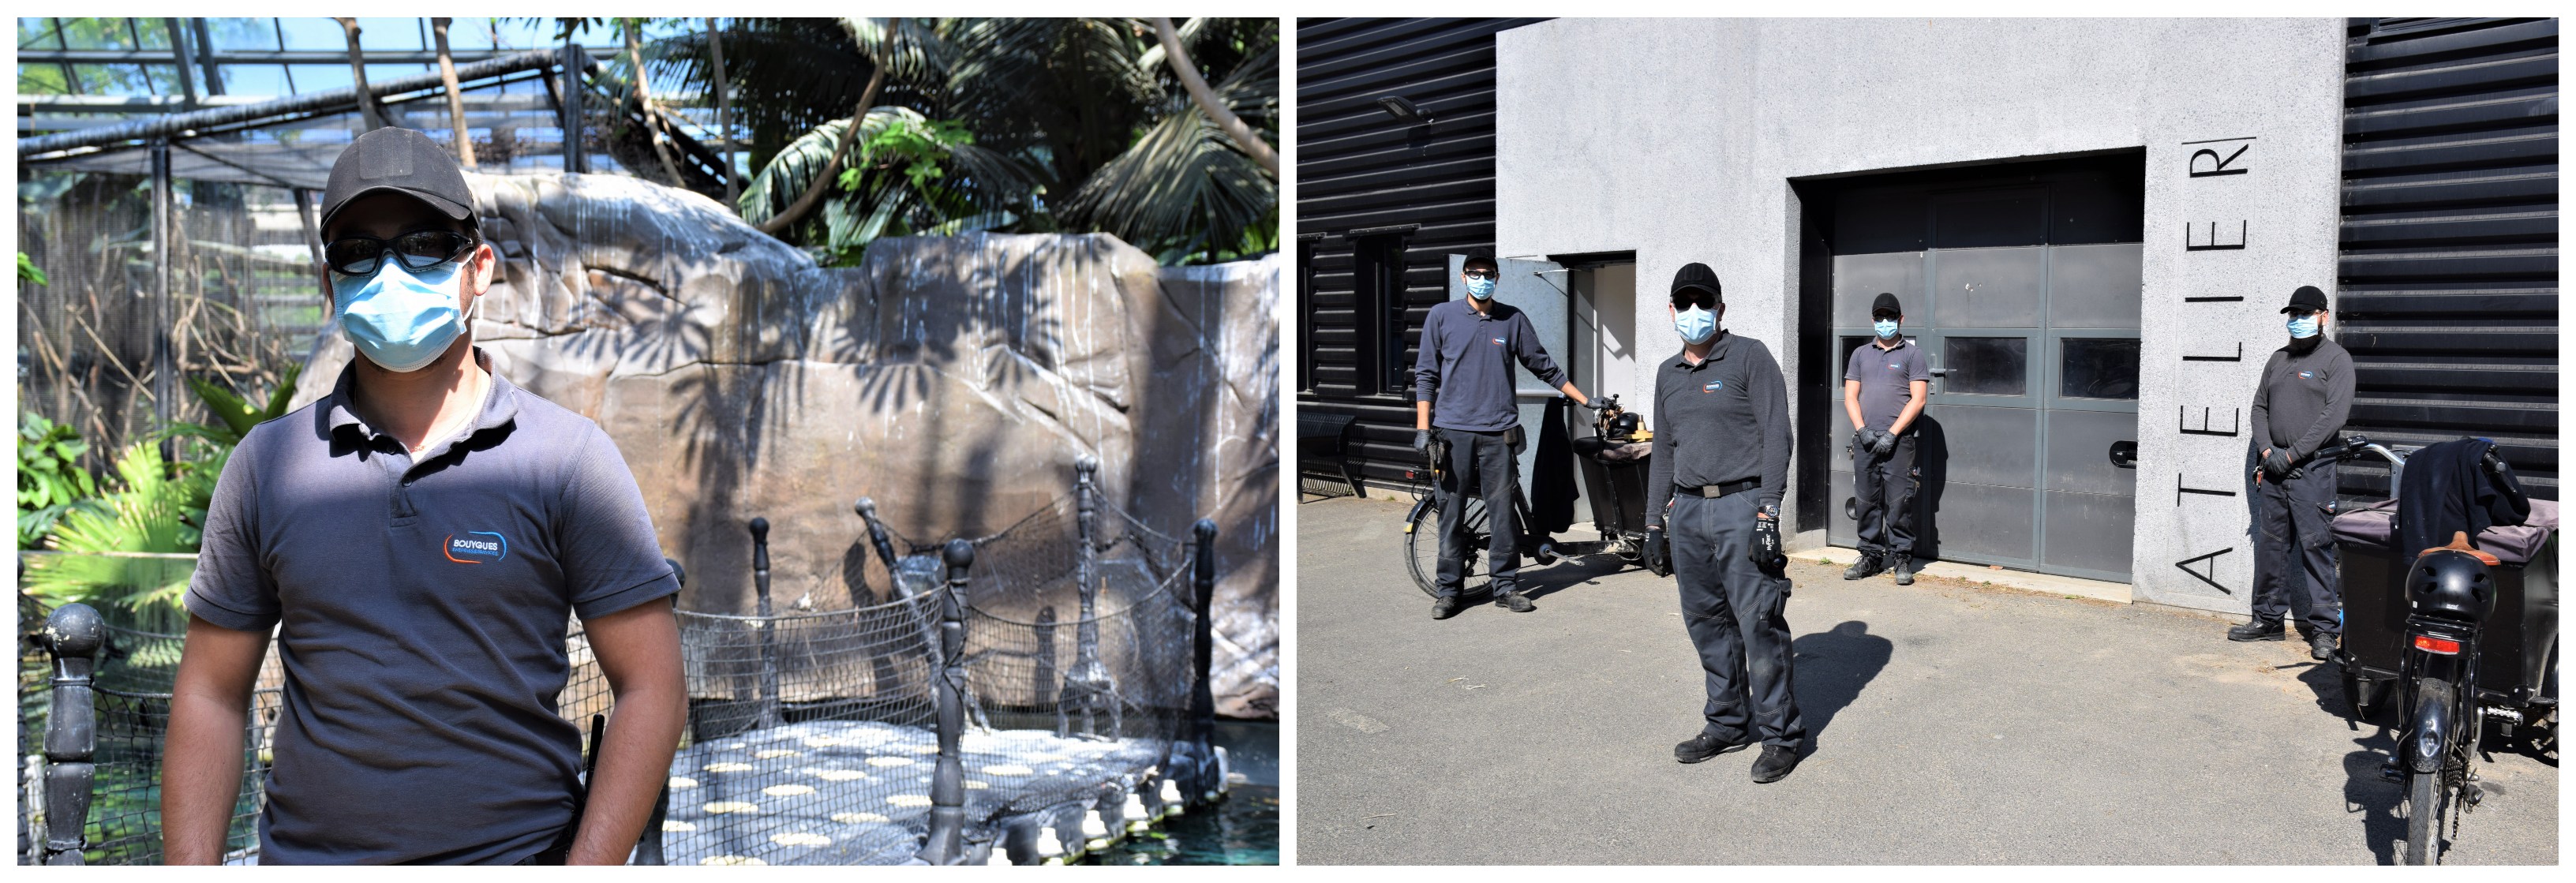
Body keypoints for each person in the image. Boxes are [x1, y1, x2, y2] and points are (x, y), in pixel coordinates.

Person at [163, 127, 687, 865]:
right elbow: (211, 697)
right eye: (357, 252)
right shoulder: (268, 466)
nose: (390, 271)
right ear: (329, 283)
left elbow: (654, 685)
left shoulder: (566, 460)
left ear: (478, 270)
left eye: (423, 244)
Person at [1642, 263, 1803, 783]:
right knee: (1707, 624)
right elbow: (1663, 453)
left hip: (1741, 505)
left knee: (1759, 622)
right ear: (1671, 311)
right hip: (1687, 513)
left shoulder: (1749, 357)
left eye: (1703, 302)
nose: (1694, 313)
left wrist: (1769, 511)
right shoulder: (1668, 374)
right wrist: (1652, 524)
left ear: (1720, 308)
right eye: (1684, 303)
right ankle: (1729, 723)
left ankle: (1781, 735)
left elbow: (1778, 433)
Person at [1413, 248, 1603, 619]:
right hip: (1454, 433)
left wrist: (1585, 400)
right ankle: (1448, 591)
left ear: (1497, 278)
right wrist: (1424, 429)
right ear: (1464, 277)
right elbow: (1426, 375)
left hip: (1499, 434)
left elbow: (1543, 366)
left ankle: (1505, 586)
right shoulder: (1441, 316)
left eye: (1488, 273)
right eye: (1474, 272)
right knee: (1451, 513)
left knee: (1502, 515)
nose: (1481, 279)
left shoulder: (1511, 320)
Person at [2230, 284, 2355, 661]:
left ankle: (2324, 631)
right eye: (2293, 315)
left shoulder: (2337, 360)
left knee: (2317, 547)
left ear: (2323, 317)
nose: (2297, 321)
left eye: (2305, 314)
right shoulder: (2279, 359)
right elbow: (2258, 408)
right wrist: (2269, 450)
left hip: (2312, 470)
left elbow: (2334, 417)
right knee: (2270, 546)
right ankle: (2268, 621)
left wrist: (2294, 454)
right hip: (2273, 470)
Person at [1840, 292, 1931, 585]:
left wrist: (1892, 435)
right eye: (1879, 317)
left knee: (1899, 502)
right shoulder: (1860, 355)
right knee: (1866, 501)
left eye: (1890, 317)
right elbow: (1850, 396)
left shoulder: (1912, 355)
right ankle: (1870, 557)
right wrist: (1863, 431)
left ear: (1900, 319)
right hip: (1865, 441)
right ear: (1872, 320)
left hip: (1899, 443)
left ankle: (1902, 557)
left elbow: (1918, 400)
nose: (1885, 322)